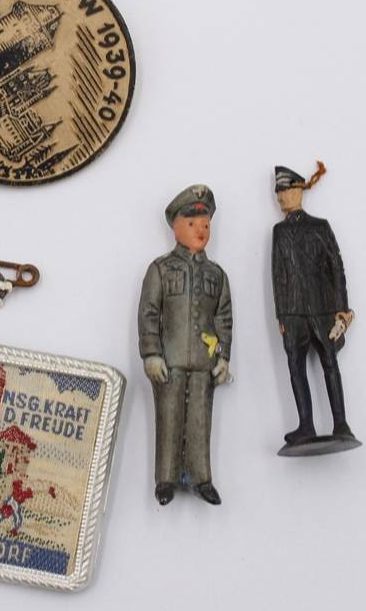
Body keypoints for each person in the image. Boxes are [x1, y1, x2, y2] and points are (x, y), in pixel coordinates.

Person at [138, 185, 233, 505]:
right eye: (192, 224)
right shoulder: (161, 269)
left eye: (205, 224)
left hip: (204, 363)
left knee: (200, 420)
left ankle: (201, 477)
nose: (200, 230)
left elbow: (223, 318)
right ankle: (166, 479)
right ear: (175, 226)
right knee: (169, 417)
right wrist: (152, 353)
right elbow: (149, 313)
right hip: (170, 360)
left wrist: (223, 357)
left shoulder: (217, 274)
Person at [272, 163, 360, 455]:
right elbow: (278, 274)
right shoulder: (279, 232)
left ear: (299, 191)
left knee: (329, 363)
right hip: (293, 312)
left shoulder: (320, 227)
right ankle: (305, 424)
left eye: (285, 191)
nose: (281, 197)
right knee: (295, 367)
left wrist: (342, 309)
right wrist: (282, 315)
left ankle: (341, 423)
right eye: (278, 193)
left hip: (322, 310)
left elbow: (336, 268)